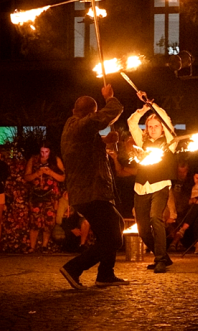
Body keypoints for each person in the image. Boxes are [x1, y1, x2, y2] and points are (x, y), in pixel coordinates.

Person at [60, 84, 128, 289]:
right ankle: (74, 268)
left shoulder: (76, 128)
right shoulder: (80, 125)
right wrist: (109, 98)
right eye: (94, 114)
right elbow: (111, 113)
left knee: (116, 226)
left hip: (91, 192)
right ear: (91, 113)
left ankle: (105, 274)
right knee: (113, 238)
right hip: (90, 192)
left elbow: (89, 147)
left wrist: (107, 141)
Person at [127, 92, 177, 273]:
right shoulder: (142, 141)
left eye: (157, 126)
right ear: (146, 129)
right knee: (142, 229)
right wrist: (144, 108)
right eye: (150, 126)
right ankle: (162, 255)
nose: (154, 129)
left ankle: (160, 260)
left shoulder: (170, 142)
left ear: (162, 128)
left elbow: (166, 119)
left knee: (156, 218)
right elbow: (132, 123)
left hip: (160, 185)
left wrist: (154, 106)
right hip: (141, 187)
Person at [24, 142, 65, 253]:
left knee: (48, 221)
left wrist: (51, 172)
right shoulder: (33, 160)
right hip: (37, 194)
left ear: (50, 151)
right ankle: (32, 246)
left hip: (51, 194)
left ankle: (44, 246)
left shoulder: (55, 160)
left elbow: (63, 177)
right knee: (35, 221)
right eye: (42, 152)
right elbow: (27, 177)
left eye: (46, 152)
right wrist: (37, 173)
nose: (44, 154)